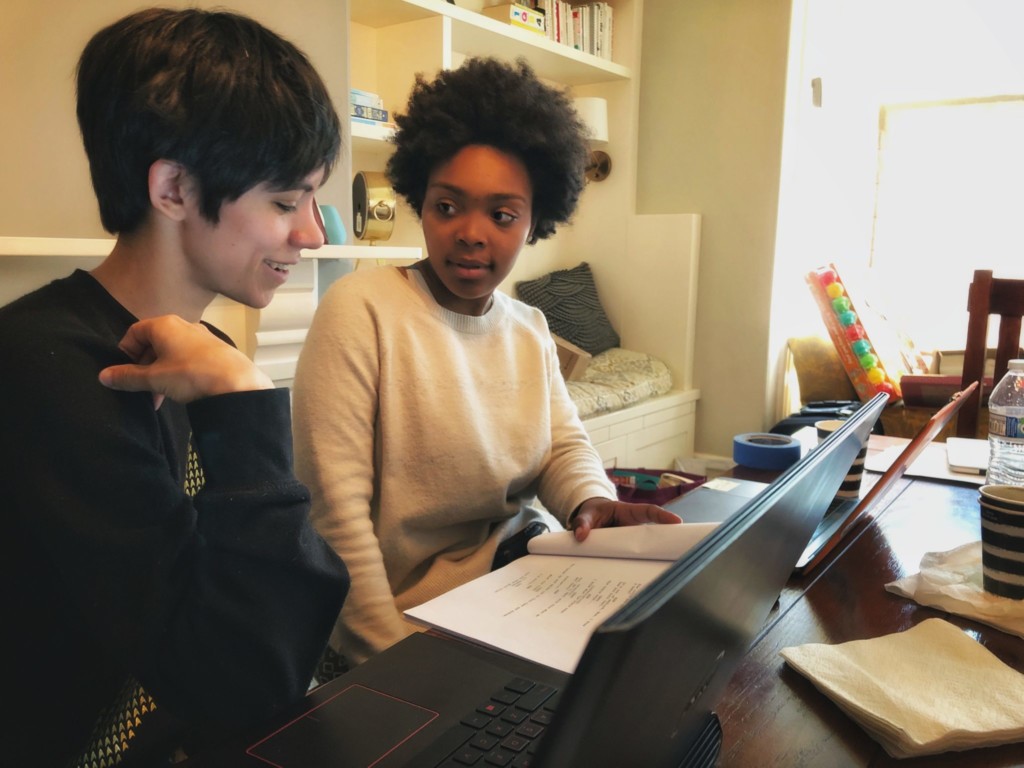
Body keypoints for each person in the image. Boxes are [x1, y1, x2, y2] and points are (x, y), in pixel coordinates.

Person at [0, 9, 350, 767]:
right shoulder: (41, 368)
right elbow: (238, 676)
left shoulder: (206, 358)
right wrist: (249, 407)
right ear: (174, 188)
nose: (314, 235)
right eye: (287, 202)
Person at [291, 57, 679, 668]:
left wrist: (589, 502)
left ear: (534, 222)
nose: (472, 233)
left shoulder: (529, 327)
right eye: (448, 207)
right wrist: (393, 665)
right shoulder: (360, 311)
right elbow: (334, 522)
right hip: (414, 628)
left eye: (502, 215)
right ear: (421, 200)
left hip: (525, 586)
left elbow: (560, 446)